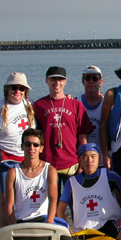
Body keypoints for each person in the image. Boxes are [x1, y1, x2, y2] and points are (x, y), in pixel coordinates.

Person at [0, 72, 35, 227]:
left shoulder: (30, 106)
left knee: (25, 201)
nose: (17, 91)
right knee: (6, 202)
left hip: (26, 162)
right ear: (7, 89)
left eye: (21, 88)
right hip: (4, 162)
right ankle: (4, 239)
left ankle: (22, 234)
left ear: (26, 91)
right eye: (14, 87)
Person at [57, 143, 121, 240]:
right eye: (85, 157)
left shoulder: (110, 176)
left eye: (93, 156)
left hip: (109, 224)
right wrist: (69, 232)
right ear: (79, 161)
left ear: (99, 159)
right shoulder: (71, 182)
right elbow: (60, 211)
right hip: (85, 229)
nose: (89, 160)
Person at [33, 66, 93, 197]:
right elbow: (33, 137)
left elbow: (82, 135)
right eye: (53, 79)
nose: (57, 83)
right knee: (49, 203)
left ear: (65, 81)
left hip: (71, 163)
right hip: (47, 163)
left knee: (74, 202)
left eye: (60, 80)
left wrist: (82, 162)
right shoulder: (38, 106)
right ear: (47, 81)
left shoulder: (76, 105)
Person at [5, 128, 57, 225]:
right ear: (22, 147)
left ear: (41, 148)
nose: (31, 148)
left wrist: (49, 223)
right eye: (28, 144)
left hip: (43, 220)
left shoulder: (50, 171)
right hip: (21, 221)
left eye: (36, 145)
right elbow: (9, 206)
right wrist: (14, 229)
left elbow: (53, 200)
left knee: (67, 238)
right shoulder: (13, 173)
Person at [77, 66, 104, 163]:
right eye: (87, 78)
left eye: (95, 78)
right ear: (83, 81)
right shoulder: (75, 102)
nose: (91, 81)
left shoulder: (108, 103)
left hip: (102, 159)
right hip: (82, 161)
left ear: (100, 82)